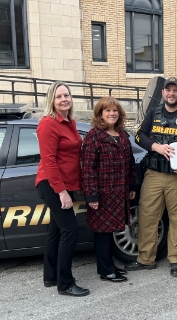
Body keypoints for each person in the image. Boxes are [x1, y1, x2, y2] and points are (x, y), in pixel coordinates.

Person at [125, 77, 177, 277]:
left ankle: (176, 259)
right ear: (162, 93)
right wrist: (156, 147)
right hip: (154, 174)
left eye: (175, 90)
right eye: (168, 90)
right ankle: (146, 259)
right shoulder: (153, 113)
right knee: (147, 217)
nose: (171, 94)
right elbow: (139, 135)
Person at [35, 81, 90, 296]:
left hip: (64, 184)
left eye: (66, 95)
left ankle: (50, 276)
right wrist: (61, 192)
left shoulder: (69, 122)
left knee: (55, 230)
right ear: (52, 100)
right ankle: (65, 283)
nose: (64, 99)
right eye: (58, 96)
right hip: (52, 185)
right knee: (70, 230)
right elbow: (48, 161)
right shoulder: (48, 124)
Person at [81, 97, 136, 283]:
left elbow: (130, 164)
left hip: (120, 193)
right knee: (103, 234)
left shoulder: (122, 136)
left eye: (115, 111)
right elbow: (87, 168)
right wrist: (92, 195)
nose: (112, 114)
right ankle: (105, 271)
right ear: (100, 114)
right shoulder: (94, 136)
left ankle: (110, 266)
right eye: (107, 111)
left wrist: (131, 186)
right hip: (102, 194)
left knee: (113, 231)